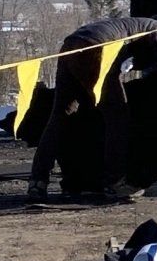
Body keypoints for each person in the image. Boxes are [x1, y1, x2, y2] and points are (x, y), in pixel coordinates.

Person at [27, 16, 133, 202]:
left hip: (71, 44)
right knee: (117, 114)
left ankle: (38, 180)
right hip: (94, 47)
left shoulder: (134, 24)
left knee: (60, 115)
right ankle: (115, 181)